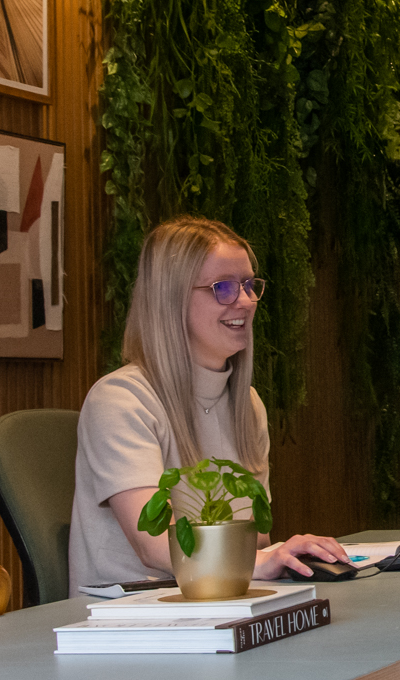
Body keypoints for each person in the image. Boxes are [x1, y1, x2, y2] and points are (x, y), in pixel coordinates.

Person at [69, 216, 348, 596]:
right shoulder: (119, 400)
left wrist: (282, 555)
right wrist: (260, 561)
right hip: (133, 621)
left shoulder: (247, 404)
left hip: (221, 602)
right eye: (224, 287)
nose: (246, 301)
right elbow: (154, 544)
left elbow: (257, 540)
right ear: (172, 300)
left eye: (250, 285)